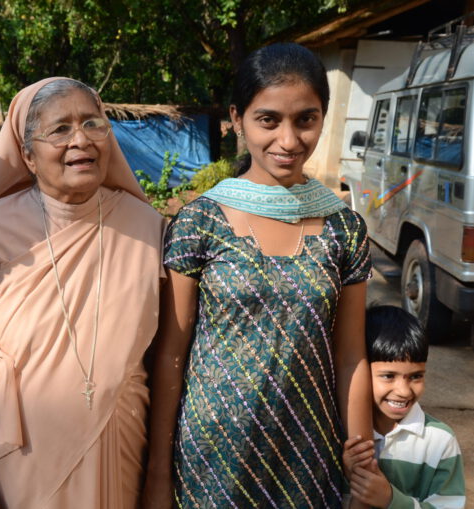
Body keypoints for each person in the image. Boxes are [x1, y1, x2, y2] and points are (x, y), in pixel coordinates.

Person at [143, 42, 374, 508]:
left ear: (323, 117)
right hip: (211, 458)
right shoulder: (200, 221)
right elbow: (172, 352)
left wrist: (361, 463)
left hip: (308, 458)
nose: (288, 141)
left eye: (305, 119)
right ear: (237, 118)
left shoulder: (343, 228)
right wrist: (157, 472)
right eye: (268, 120)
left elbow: (350, 356)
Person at [0, 77, 165, 508]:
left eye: (93, 124)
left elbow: (167, 354)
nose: (81, 140)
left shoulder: (148, 227)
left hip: (120, 439)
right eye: (60, 129)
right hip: (19, 455)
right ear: (28, 155)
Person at [343, 305, 466, 508]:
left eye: (416, 376)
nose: (404, 391)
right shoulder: (342, 435)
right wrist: (347, 476)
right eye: (388, 376)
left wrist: (392, 500)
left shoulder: (439, 441)